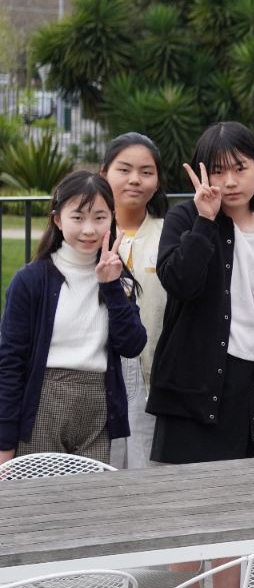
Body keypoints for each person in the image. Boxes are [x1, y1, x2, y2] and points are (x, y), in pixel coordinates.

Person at [148, 121, 254, 467]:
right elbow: (179, 282)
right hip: (194, 390)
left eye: (240, 168)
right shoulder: (185, 218)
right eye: (217, 171)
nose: (229, 182)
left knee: (247, 503)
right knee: (184, 502)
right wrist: (204, 221)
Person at [0, 171, 146, 465]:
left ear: (113, 218)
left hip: (98, 404)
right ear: (57, 219)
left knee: (89, 503)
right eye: (78, 218)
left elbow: (132, 344)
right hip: (44, 403)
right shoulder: (31, 281)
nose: (89, 230)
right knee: (42, 502)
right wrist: (4, 441)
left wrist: (111, 287)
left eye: (100, 218)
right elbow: (9, 362)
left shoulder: (118, 279)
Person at [101, 133, 169, 469]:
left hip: (150, 375)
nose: (134, 180)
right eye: (124, 169)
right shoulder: (87, 233)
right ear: (104, 174)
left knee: (145, 471)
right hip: (96, 379)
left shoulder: (169, 235)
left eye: (146, 171)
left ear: (157, 182)